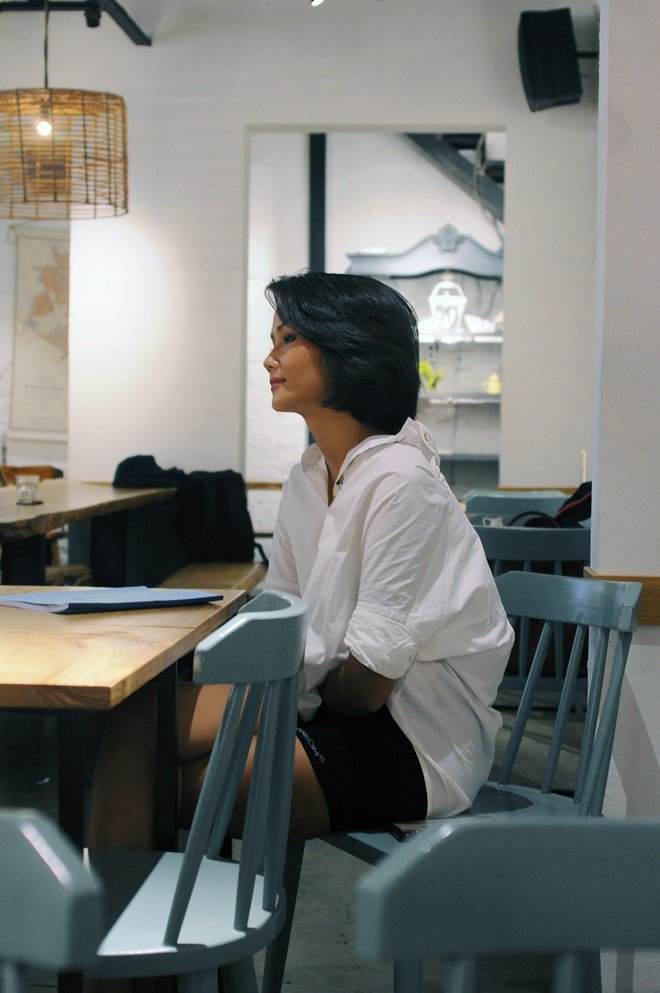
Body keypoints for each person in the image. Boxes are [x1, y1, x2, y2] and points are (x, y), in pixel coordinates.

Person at [88, 271, 513, 850]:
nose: (270, 358)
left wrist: (295, 693)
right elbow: (281, 615)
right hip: (319, 702)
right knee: (136, 713)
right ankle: (120, 904)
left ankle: (122, 903)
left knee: (166, 786)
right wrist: (292, 688)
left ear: (349, 347)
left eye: (288, 338)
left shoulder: (403, 480)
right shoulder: (309, 477)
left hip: (413, 740)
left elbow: (368, 686)